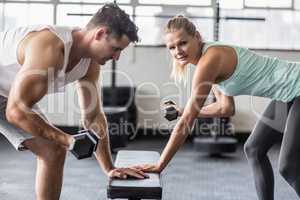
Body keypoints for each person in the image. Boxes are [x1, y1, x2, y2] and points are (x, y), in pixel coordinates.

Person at [140, 15, 300, 200]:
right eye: (172, 47)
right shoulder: (207, 59)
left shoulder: (210, 60)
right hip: (287, 93)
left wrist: (160, 165)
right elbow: (225, 108)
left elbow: (186, 123)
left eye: (183, 43)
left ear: (197, 37)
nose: (178, 51)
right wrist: (183, 110)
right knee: (254, 150)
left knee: (289, 165)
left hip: (297, 86)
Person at [0, 3, 148, 200]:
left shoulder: (90, 63)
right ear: (100, 33)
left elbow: (94, 115)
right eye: (115, 48)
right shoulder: (50, 46)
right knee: (58, 145)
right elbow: (16, 112)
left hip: (10, 96)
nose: (117, 57)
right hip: (12, 101)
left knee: (53, 151)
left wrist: (109, 168)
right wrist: (68, 140)